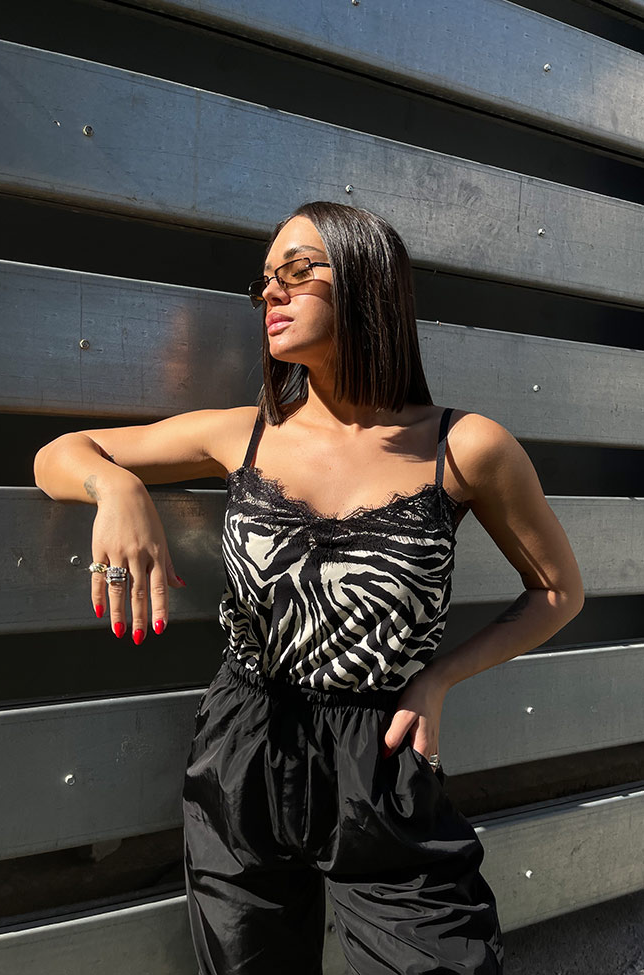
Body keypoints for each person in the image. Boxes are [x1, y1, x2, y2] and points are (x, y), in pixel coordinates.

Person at [34, 200, 585, 974]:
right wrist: (116, 489)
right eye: (264, 280)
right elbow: (61, 452)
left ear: (366, 281)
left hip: (380, 755)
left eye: (296, 272)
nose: (271, 293)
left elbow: (557, 591)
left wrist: (437, 678)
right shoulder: (243, 432)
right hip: (241, 747)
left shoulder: (464, 446)